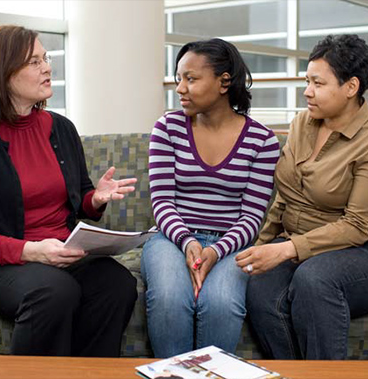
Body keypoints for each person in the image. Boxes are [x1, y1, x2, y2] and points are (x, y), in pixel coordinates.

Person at [0, 25, 138, 357]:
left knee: (118, 284)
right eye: (34, 61)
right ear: (3, 73)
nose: (48, 67)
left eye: (45, 58)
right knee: (54, 291)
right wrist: (32, 251)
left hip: (60, 251)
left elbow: (80, 199)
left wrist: (96, 199)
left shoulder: (61, 128)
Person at [236, 34, 368, 360]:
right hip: (307, 243)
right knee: (260, 287)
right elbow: (285, 195)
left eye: (318, 83)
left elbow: (359, 226)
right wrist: (262, 246)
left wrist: (286, 249)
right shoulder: (303, 122)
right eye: (306, 81)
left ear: (351, 87)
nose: (307, 91)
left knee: (315, 279)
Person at [141, 38, 280, 358]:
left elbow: (252, 217)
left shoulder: (262, 140)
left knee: (220, 303)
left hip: (234, 244)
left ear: (224, 82)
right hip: (171, 238)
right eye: (178, 79)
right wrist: (189, 242)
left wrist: (216, 251)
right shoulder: (167, 128)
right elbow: (162, 202)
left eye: (191, 78)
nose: (180, 89)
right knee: (170, 298)